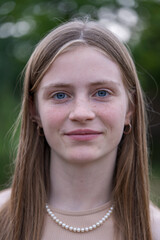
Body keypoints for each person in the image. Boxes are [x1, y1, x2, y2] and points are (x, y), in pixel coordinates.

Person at [0, 19, 159, 240]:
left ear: (130, 108)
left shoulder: (155, 230)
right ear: (34, 112)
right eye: (60, 95)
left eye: (102, 93)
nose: (81, 113)